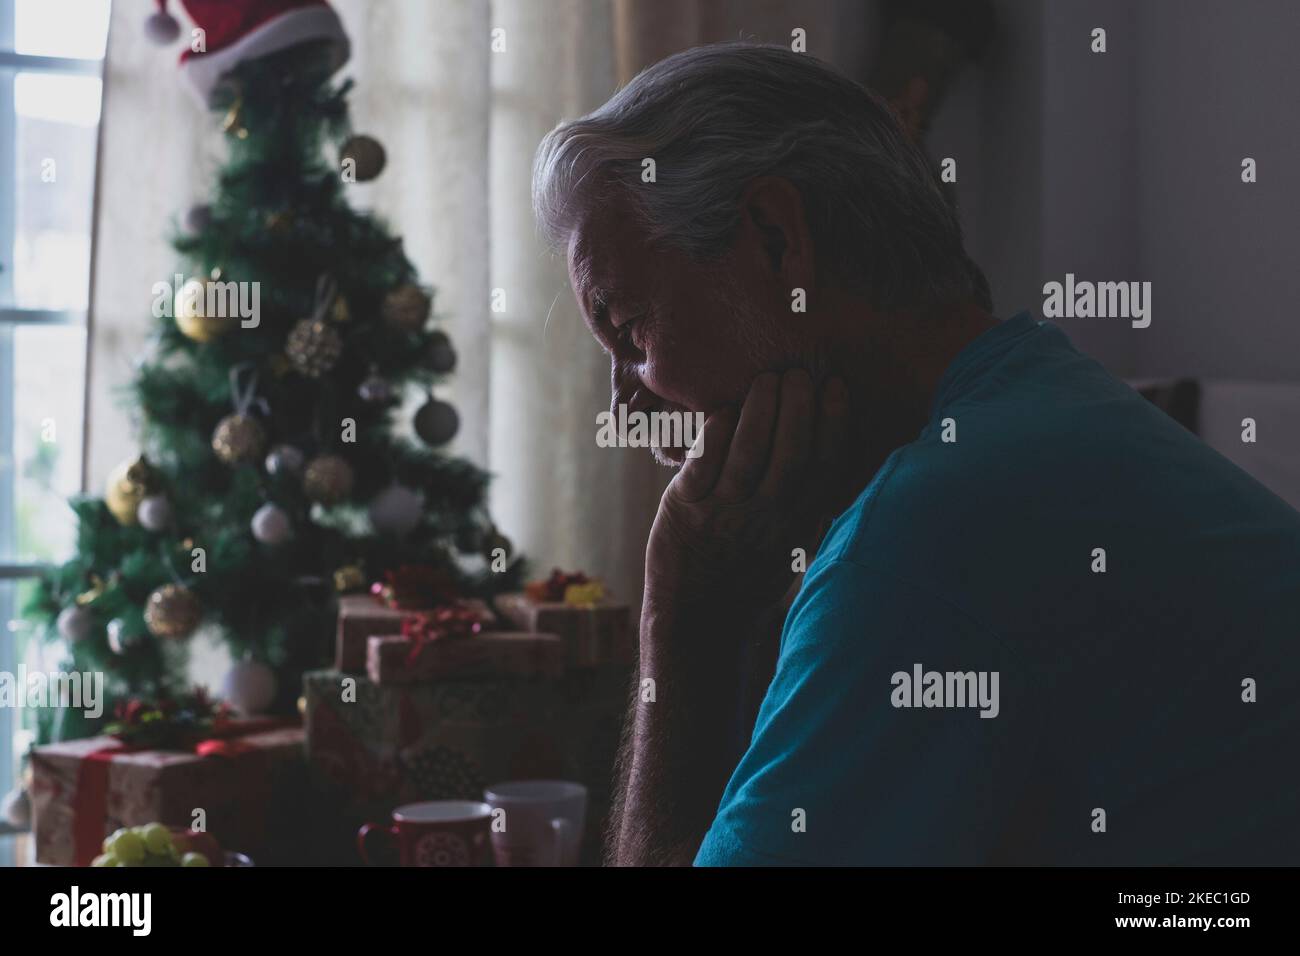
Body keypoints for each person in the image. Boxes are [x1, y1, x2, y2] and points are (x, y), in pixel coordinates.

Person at [532, 43, 1300, 866]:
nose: (627, 408)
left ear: (775, 238)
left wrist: (683, 625)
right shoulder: (1049, 400)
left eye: (631, 331)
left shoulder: (920, 539)